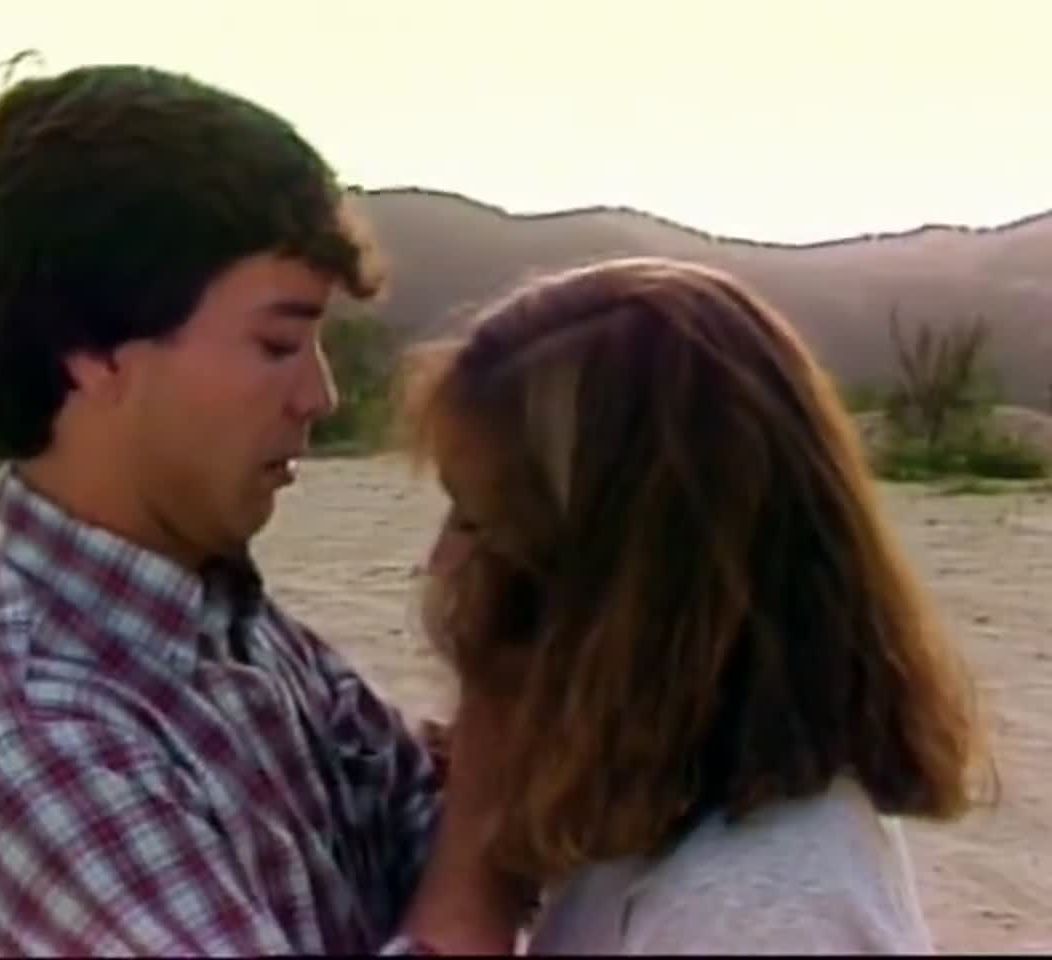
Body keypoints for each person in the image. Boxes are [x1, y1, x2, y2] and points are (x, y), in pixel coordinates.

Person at [0, 63, 525, 956]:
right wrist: (495, 763)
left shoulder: (230, 628)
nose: (319, 396)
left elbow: (426, 834)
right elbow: (472, 849)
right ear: (93, 349)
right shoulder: (31, 739)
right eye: (277, 343)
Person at [402, 256, 993, 954]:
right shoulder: (684, 831)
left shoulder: (756, 907)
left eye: (480, 523)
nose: (445, 563)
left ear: (622, 589)